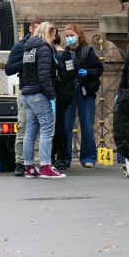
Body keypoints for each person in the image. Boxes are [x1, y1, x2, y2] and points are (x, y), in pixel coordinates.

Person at [19, 21, 65, 179]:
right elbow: (44, 75)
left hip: (28, 94)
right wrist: (52, 95)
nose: (54, 39)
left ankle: (29, 167)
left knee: (30, 133)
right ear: (48, 33)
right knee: (47, 130)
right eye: (53, 35)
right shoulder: (44, 48)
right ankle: (46, 166)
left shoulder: (28, 49)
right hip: (40, 94)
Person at [60, 24, 103, 168]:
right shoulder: (63, 53)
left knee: (87, 126)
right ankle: (65, 159)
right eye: (67, 36)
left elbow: (98, 69)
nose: (69, 38)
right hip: (68, 92)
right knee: (66, 127)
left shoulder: (87, 51)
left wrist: (88, 73)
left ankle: (88, 157)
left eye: (71, 35)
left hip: (84, 91)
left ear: (78, 35)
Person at [5, 17, 44, 176]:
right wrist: (26, 61)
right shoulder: (21, 47)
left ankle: (47, 161)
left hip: (42, 90)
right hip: (25, 90)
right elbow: (9, 69)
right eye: (38, 29)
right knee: (23, 126)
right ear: (31, 29)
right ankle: (20, 162)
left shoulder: (45, 46)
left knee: (45, 128)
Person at [50, 29, 75, 171]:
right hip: (66, 94)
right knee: (59, 126)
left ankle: (59, 156)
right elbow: (71, 75)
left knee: (57, 127)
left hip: (59, 94)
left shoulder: (58, 55)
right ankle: (60, 156)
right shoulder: (66, 55)